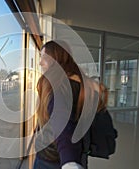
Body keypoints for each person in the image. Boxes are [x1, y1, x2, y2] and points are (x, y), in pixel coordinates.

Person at [33, 40, 108, 169]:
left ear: (56, 58)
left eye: (44, 57)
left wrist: (69, 162)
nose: (40, 62)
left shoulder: (57, 85)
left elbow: (62, 123)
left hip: (51, 160)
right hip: (80, 155)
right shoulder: (85, 84)